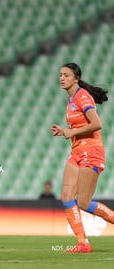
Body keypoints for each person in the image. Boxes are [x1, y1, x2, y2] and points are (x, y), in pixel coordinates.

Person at [51, 62, 113, 253]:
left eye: (66, 75)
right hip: (77, 151)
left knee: (84, 202)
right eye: (61, 74)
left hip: (91, 152)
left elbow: (97, 123)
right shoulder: (70, 100)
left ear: (76, 78)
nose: (62, 78)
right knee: (66, 196)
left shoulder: (82, 96)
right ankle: (82, 243)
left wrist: (71, 131)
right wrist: (65, 132)